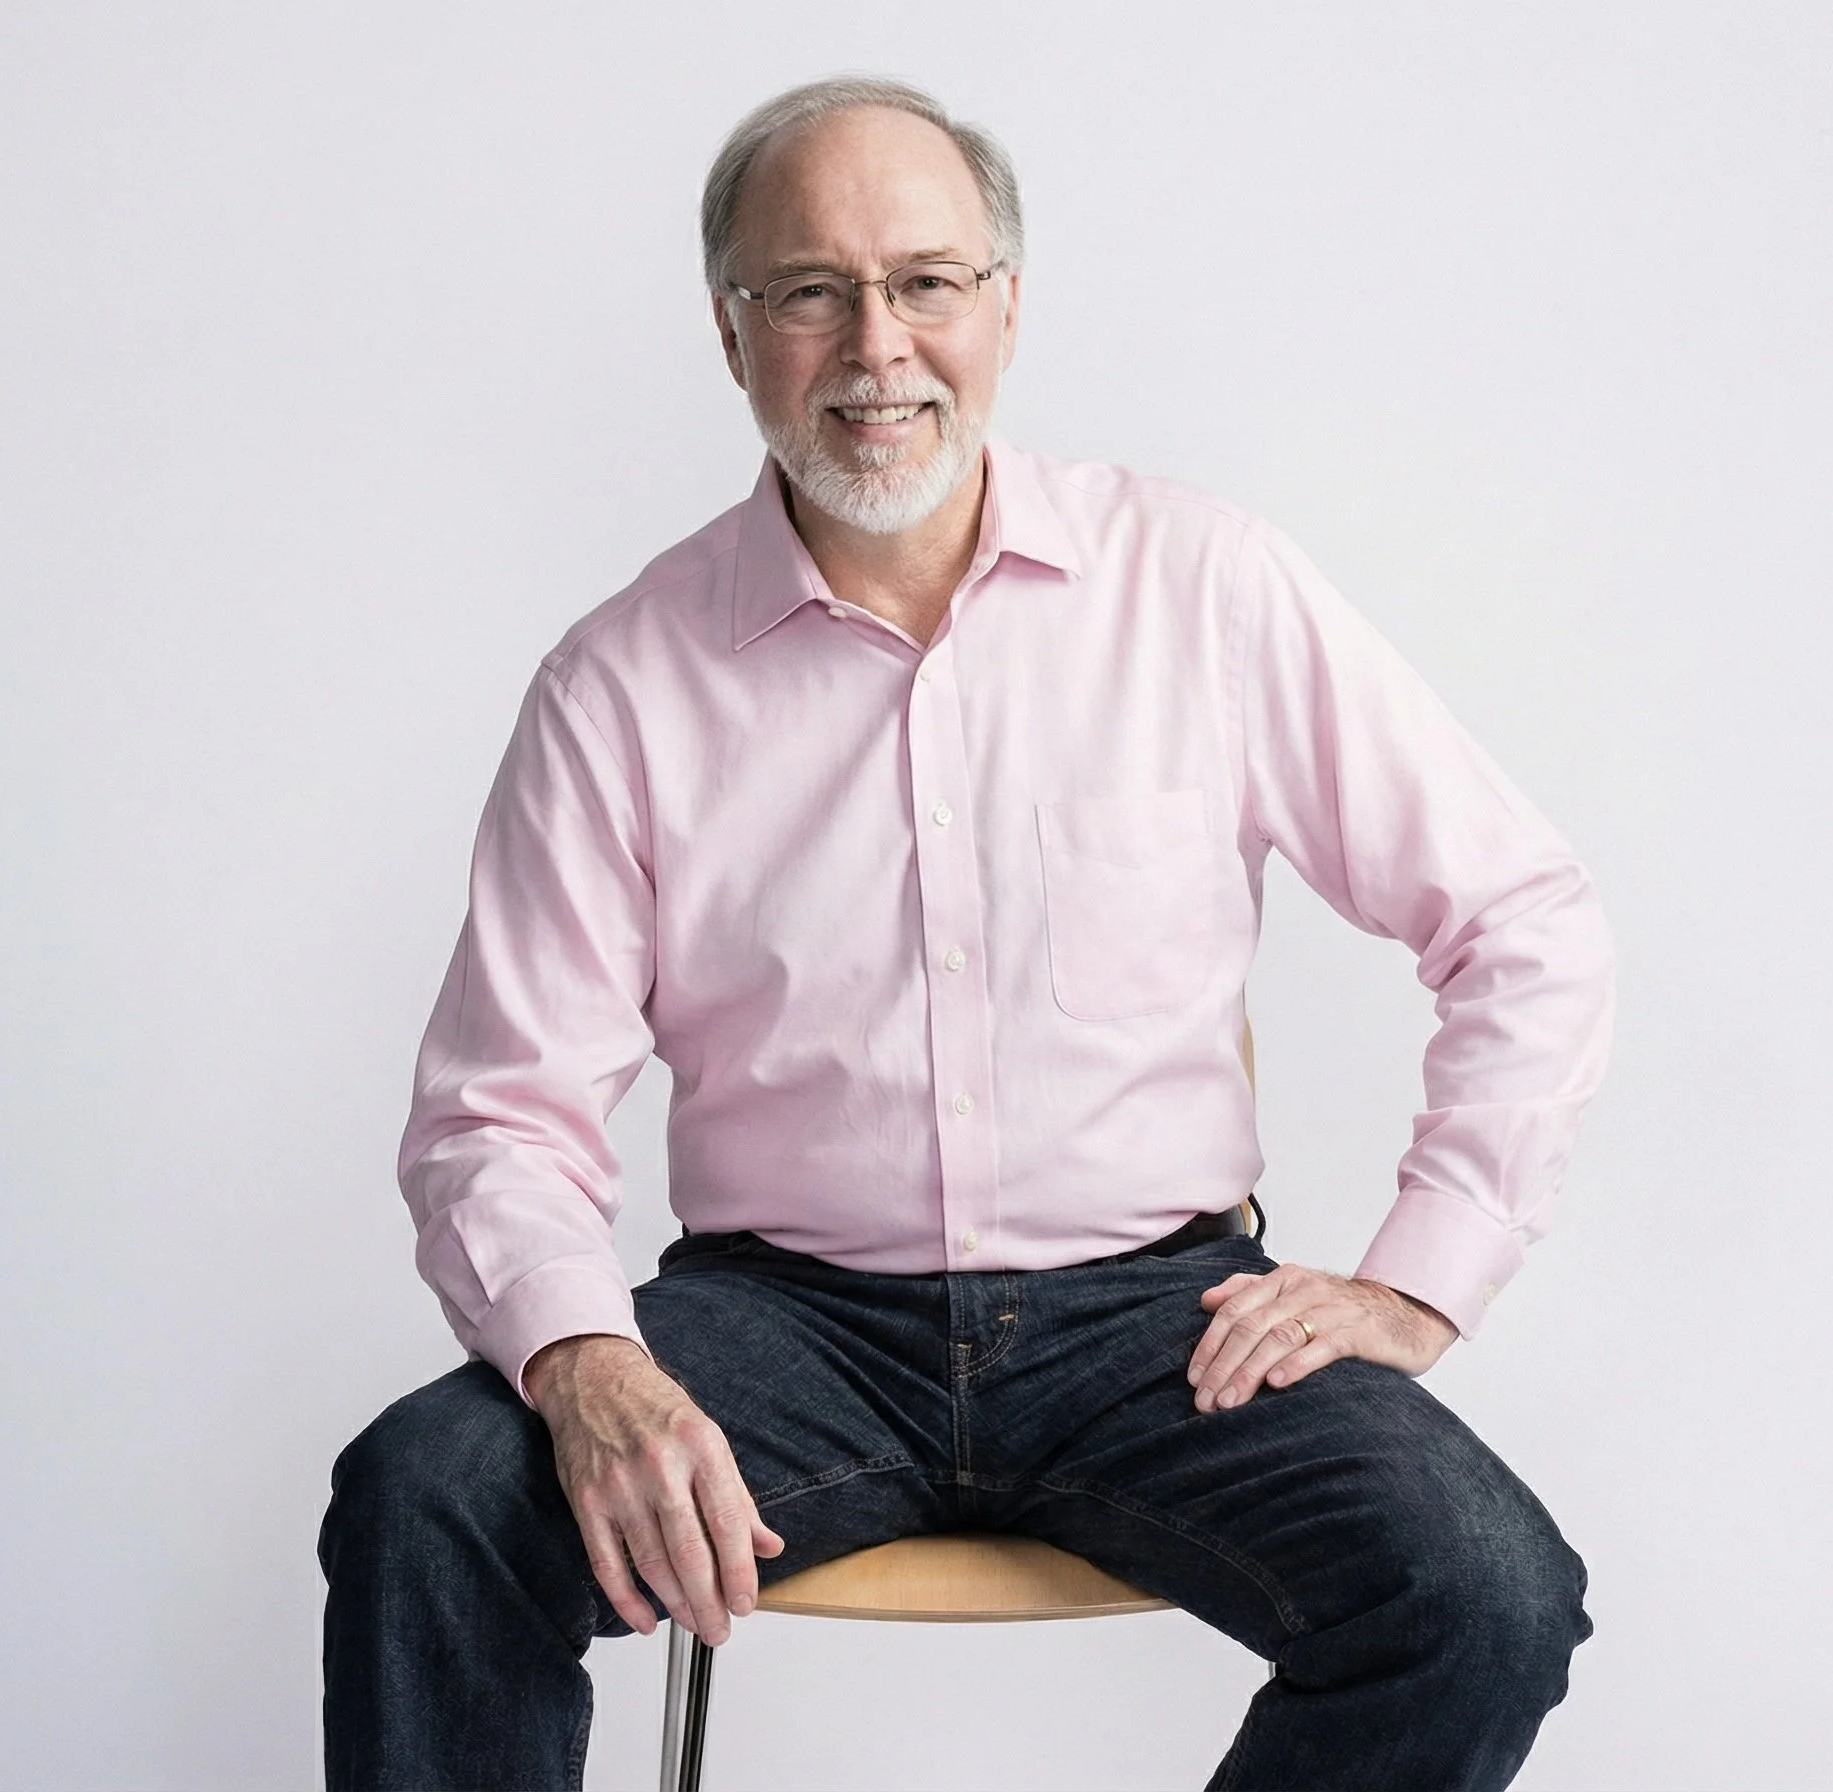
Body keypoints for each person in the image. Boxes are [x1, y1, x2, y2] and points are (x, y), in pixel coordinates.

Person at [318, 75, 1616, 1792]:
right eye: (811, 290)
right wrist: (582, 1364)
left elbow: (1523, 918)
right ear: (730, 331)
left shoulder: (1202, 587)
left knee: (1485, 1594)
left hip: (1160, 1326)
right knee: (427, 1499)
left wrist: (1416, 1282)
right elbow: (497, 1114)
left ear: (1007, 304)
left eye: (926, 281)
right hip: (783, 1330)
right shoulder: (619, 682)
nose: (879, 346)